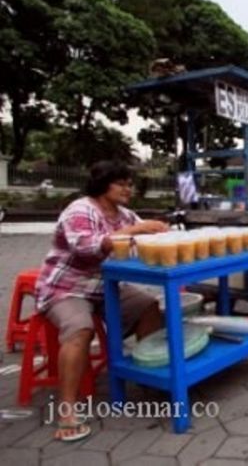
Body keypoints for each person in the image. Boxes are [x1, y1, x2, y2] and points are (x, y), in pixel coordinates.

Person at [35, 161, 168, 441]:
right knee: (80, 328)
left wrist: (159, 235)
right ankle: (67, 408)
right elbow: (86, 246)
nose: (128, 189)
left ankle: (151, 380)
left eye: (129, 184)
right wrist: (135, 232)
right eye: (121, 183)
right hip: (67, 287)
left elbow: (144, 237)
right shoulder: (80, 209)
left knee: (148, 307)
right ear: (103, 184)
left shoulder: (124, 214)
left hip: (105, 286)